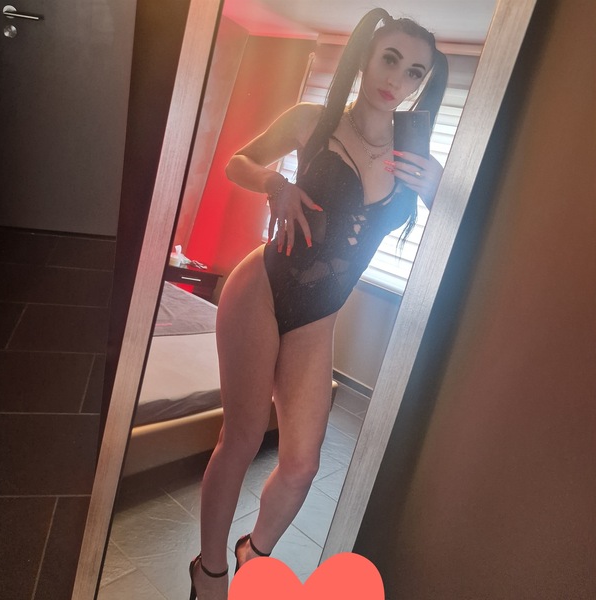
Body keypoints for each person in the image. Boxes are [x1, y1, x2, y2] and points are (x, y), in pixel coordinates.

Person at [188, 8, 448, 599]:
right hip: (261, 287)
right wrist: (275, 184)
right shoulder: (313, 120)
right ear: (365, 57)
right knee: (242, 439)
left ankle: (254, 553)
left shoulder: (417, 163)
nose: (397, 79)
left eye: (414, 72)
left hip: (318, 315)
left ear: (422, 84)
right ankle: (209, 572)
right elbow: (237, 162)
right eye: (389, 59)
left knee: (302, 464)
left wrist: (437, 193)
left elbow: (452, 242)